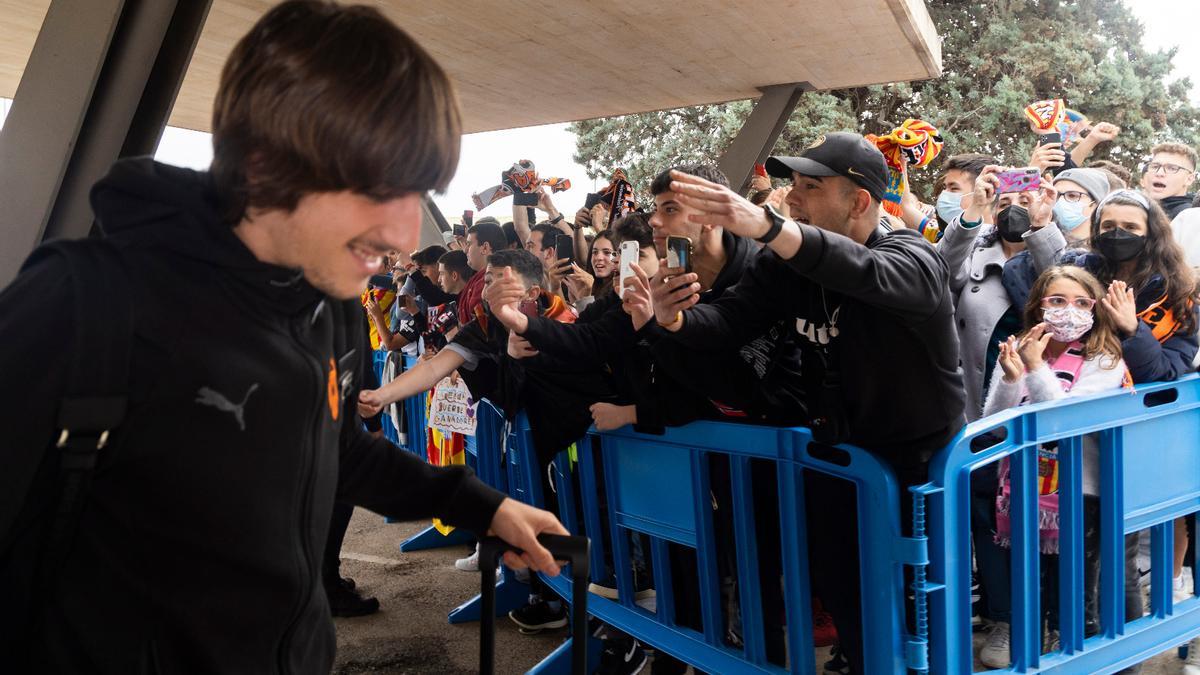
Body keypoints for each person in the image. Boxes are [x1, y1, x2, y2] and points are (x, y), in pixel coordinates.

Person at [0, 3, 567, 672]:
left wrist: (484, 504)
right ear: (269, 162)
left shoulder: (332, 313)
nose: (406, 237)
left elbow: (335, 450)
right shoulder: (81, 305)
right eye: (381, 189)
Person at [623, 132, 964, 674]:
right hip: (839, 460)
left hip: (918, 468)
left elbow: (868, 274)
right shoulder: (783, 269)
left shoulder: (912, 254)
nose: (794, 197)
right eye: (792, 186)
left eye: (811, 185)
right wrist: (673, 319)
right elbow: (730, 320)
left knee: (920, 609)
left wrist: (769, 227)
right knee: (846, 592)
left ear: (859, 201)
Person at [977, 266, 1129, 668]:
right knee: (1031, 593)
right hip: (1023, 492)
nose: (1069, 311)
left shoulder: (1105, 358)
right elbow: (995, 418)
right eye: (1057, 301)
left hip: (1081, 498)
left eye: (1081, 303)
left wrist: (1035, 367)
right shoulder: (1025, 345)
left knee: (1076, 598)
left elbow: (1065, 422)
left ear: (1095, 309)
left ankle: (1082, 662)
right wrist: (1012, 375)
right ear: (1038, 306)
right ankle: (1035, 658)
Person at [459, 218, 507, 326]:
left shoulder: (492, 280)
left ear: (485, 248)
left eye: (469, 244)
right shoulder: (478, 277)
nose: (465, 250)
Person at [1139, 142, 1198, 220]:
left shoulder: (1191, 218)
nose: (1159, 173)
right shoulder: (1139, 210)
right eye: (1155, 166)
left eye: (1172, 168)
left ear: (1189, 179)